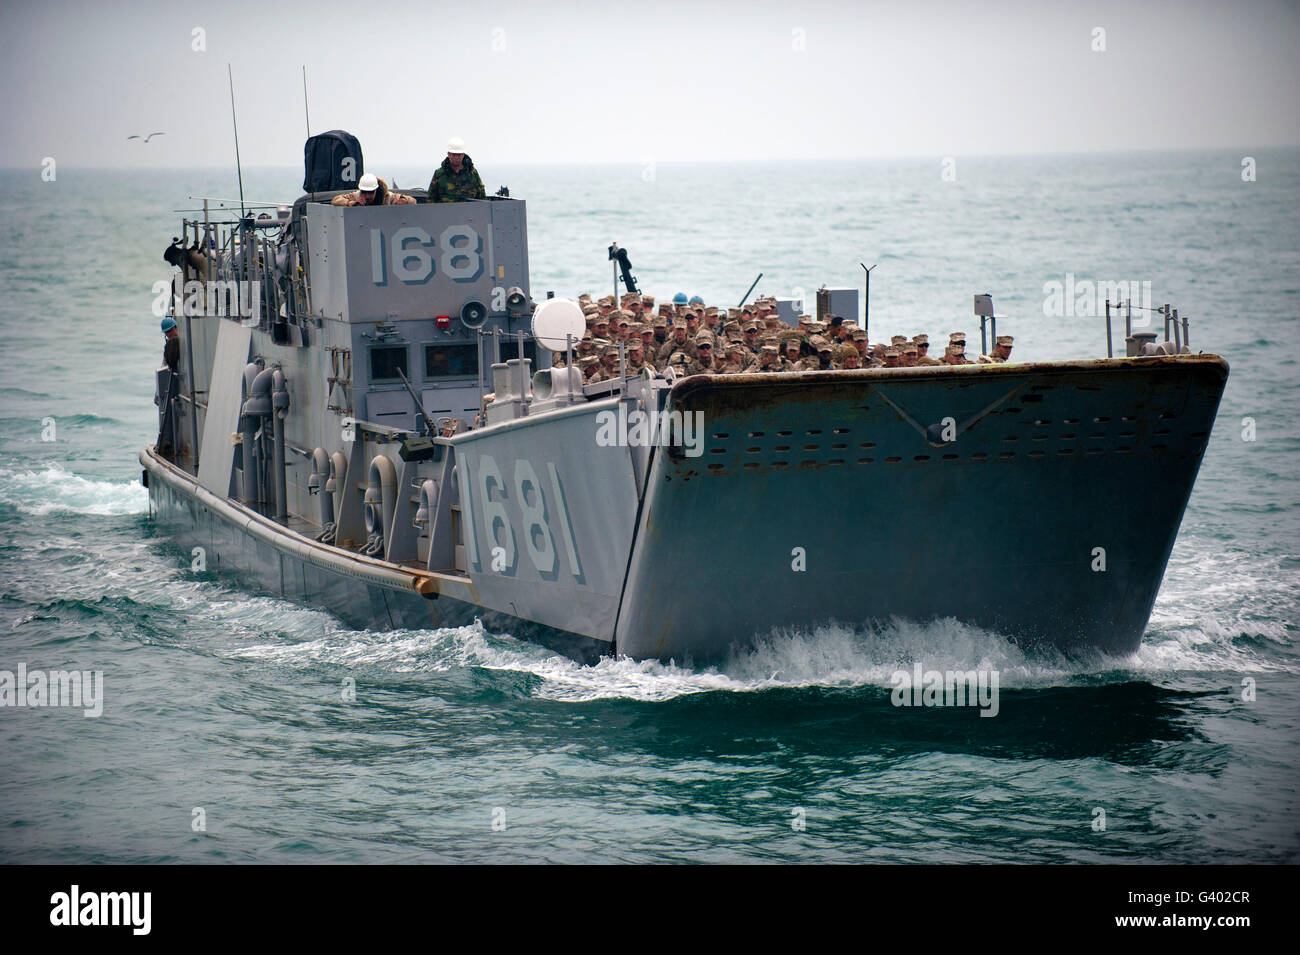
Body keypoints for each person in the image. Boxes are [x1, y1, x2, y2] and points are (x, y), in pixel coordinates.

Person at [427, 137, 486, 203]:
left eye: (459, 155)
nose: (456, 157)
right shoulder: (439, 174)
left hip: (469, 212)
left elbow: (482, 198)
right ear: (448, 154)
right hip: (445, 212)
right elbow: (431, 200)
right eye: (453, 154)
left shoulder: (472, 173)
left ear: (463, 155)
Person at [331, 172, 414, 206]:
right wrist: (351, 203)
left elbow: (413, 201)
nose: (367, 196)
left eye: (370, 192)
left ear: (375, 191)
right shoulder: (356, 196)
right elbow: (335, 200)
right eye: (364, 192)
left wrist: (405, 199)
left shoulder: (388, 197)